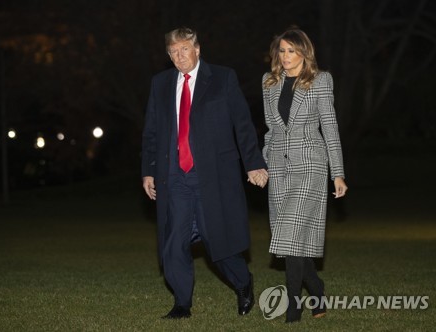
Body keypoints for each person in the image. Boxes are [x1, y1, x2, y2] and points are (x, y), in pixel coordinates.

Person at [141, 27, 268, 319]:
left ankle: (243, 282)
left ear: (197, 50)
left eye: (184, 49)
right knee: (173, 242)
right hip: (173, 176)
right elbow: (151, 132)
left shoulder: (222, 78)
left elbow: (242, 124)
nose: (179, 56)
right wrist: (148, 171)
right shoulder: (160, 83)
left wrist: (253, 162)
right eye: (173, 51)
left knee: (216, 242)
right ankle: (182, 303)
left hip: (210, 175)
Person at [262, 27, 348, 323]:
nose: (286, 57)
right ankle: (317, 289)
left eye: (292, 51)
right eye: (282, 51)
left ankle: (293, 310)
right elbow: (272, 131)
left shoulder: (320, 80)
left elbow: (330, 128)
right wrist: (263, 164)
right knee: (289, 242)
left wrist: (337, 173)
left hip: (310, 165)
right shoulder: (268, 82)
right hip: (278, 168)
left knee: (289, 235)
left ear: (304, 52)